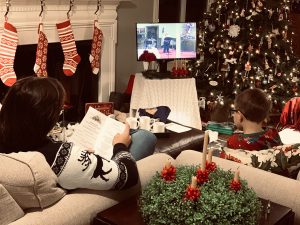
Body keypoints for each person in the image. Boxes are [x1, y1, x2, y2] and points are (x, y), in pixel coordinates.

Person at [0, 76, 157, 190]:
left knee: (132, 133)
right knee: (145, 137)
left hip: (75, 167)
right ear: (45, 118)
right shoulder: (62, 157)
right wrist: (120, 146)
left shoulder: (8, 142)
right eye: (58, 110)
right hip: (82, 179)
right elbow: (128, 176)